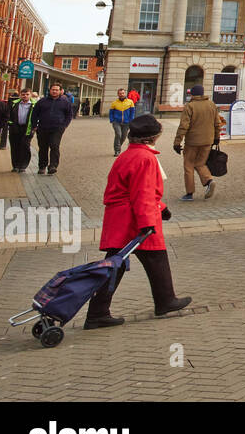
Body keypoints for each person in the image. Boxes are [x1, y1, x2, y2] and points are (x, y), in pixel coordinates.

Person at [83, 113, 193, 329]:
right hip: (134, 219)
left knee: (115, 264)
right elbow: (142, 194)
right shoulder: (146, 158)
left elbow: (133, 189)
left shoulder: (127, 156)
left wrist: (162, 208)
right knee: (154, 258)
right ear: (151, 138)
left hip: (121, 217)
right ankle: (165, 300)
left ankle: (98, 311)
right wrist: (148, 223)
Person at [172, 85, 226, 201]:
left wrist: (177, 142)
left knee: (189, 166)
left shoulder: (190, 106)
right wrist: (216, 138)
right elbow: (217, 123)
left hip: (192, 141)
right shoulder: (211, 105)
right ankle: (209, 180)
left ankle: (189, 193)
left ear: (192, 94)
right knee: (200, 163)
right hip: (208, 141)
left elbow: (183, 126)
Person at [30, 82, 74, 175]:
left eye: (56, 90)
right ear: (49, 90)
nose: (54, 91)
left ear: (60, 91)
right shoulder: (42, 101)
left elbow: (69, 115)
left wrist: (64, 125)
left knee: (54, 146)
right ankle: (42, 166)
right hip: (42, 128)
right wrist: (34, 125)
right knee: (43, 147)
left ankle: (53, 166)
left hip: (57, 128)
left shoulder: (65, 102)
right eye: (53, 89)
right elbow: (34, 114)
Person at [7, 89, 35, 173]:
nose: (25, 96)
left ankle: (23, 165)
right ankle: (15, 165)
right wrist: (10, 123)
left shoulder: (35, 105)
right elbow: (8, 114)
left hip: (27, 128)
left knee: (25, 146)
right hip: (15, 127)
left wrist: (35, 126)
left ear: (30, 95)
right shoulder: (14, 103)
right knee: (15, 146)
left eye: (27, 94)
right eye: (23, 94)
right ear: (20, 95)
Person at [108, 88, 136, 157]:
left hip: (126, 123)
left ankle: (118, 146)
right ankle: (117, 150)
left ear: (125, 93)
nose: (121, 95)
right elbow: (111, 113)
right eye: (120, 93)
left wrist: (131, 120)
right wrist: (112, 120)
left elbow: (132, 112)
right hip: (116, 122)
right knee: (118, 134)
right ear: (118, 94)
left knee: (123, 137)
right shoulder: (114, 103)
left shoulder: (130, 102)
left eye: (123, 93)